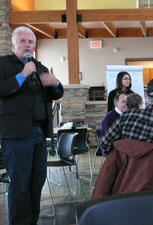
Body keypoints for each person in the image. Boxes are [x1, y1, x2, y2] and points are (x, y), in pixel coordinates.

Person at [0, 26, 64, 225]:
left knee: (36, 184)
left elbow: (56, 94)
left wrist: (55, 83)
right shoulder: (3, 64)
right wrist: (22, 75)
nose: (27, 45)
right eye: (23, 41)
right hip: (16, 134)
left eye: (31, 42)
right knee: (20, 184)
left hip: (39, 133)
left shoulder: (39, 66)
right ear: (13, 44)